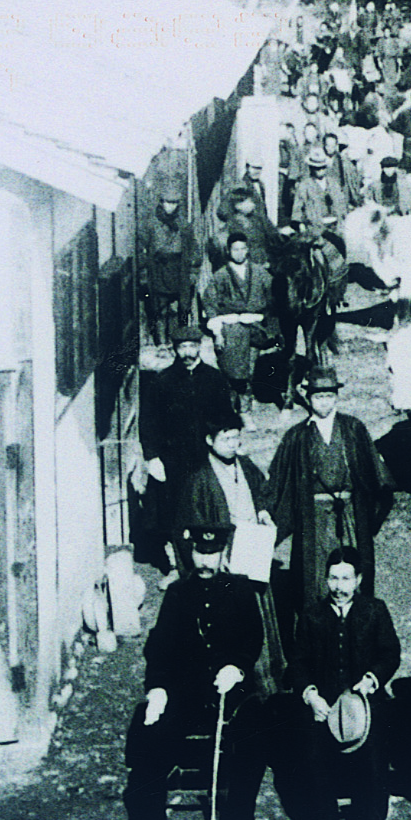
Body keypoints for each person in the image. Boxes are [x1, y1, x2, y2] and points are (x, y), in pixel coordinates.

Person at [120, 526, 270, 820]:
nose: (205, 561)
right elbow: (159, 647)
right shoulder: (178, 593)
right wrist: (157, 688)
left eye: (212, 554)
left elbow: (253, 638)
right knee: (149, 729)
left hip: (230, 689)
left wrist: (237, 667)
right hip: (186, 691)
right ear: (191, 553)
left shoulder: (240, 589)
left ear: (223, 554)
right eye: (200, 553)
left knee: (252, 730)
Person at [287, 546, 401, 820]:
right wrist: (311, 695)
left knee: (373, 754)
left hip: (365, 701)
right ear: (326, 580)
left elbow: (390, 653)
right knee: (313, 753)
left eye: (346, 579)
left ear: (358, 580)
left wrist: (371, 679)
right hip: (324, 705)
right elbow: (297, 662)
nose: (339, 587)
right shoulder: (312, 615)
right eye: (333, 579)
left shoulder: (375, 610)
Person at [173, 402, 286, 688]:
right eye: (226, 439)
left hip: (251, 549)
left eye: (236, 437)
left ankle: (268, 679)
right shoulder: (199, 480)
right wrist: (210, 557)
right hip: (222, 558)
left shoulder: (245, 465)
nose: (233, 444)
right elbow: (189, 529)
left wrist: (263, 512)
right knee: (230, 617)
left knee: (260, 610)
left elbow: (263, 493)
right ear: (209, 440)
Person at [265, 367, 393, 617]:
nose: (324, 402)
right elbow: (278, 476)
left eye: (329, 396)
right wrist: (266, 508)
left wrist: (377, 506)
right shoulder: (297, 435)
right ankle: (320, 622)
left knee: (353, 566)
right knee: (316, 574)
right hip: (314, 518)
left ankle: (356, 619)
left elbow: (375, 474)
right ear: (308, 398)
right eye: (318, 396)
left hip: (349, 515)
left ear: (336, 397)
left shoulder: (353, 428)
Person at [133, 320, 232, 574]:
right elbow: (148, 422)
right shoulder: (162, 381)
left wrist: (228, 445)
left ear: (200, 346)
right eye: (182, 347)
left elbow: (226, 417)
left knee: (209, 510)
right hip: (172, 461)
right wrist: (152, 458)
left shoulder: (215, 379)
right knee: (172, 514)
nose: (187, 352)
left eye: (192, 346)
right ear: (174, 349)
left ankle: (212, 563)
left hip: (206, 458)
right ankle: (177, 568)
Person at [203, 231, 279, 412]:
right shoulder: (220, 275)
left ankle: (246, 402)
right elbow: (210, 303)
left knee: (251, 366)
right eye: (235, 249)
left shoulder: (260, 273)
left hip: (256, 325)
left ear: (248, 250)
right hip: (231, 326)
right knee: (233, 367)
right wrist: (217, 332)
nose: (239, 253)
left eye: (242, 249)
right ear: (229, 251)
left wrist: (272, 323)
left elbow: (275, 297)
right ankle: (231, 402)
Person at [136, 183, 190, 345]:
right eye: (168, 202)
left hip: (178, 270)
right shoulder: (150, 224)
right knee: (159, 308)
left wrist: (193, 272)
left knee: (180, 308)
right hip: (158, 269)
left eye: (174, 203)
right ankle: (161, 343)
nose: (171, 206)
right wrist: (143, 275)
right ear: (161, 202)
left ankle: (177, 341)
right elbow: (141, 250)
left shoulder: (183, 225)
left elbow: (193, 248)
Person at [292, 146, 351, 236]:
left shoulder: (333, 184)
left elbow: (342, 204)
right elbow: (297, 210)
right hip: (315, 229)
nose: (320, 170)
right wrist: (300, 225)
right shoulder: (304, 186)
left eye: (322, 167)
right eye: (317, 168)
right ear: (311, 168)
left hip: (336, 227)